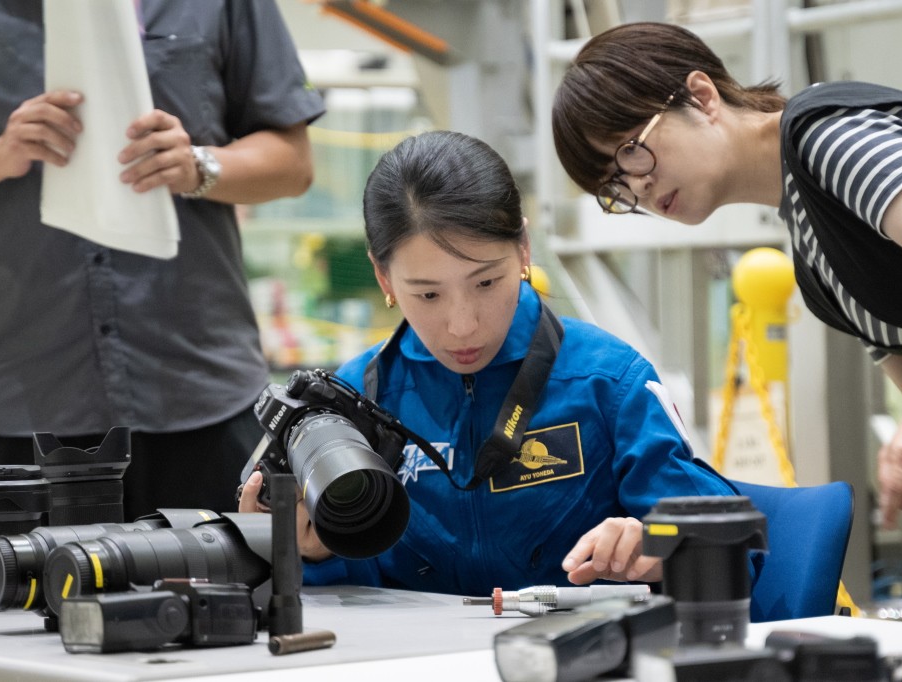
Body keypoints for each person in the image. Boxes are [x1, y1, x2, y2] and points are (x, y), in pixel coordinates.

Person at [240, 129, 738, 597]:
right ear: (384, 277)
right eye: (428, 294)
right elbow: (340, 605)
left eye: (485, 283)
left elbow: (730, 548)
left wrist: (659, 545)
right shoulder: (351, 405)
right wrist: (306, 555)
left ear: (523, 248)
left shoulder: (608, 381)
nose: (462, 326)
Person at [0, 0, 325, 518]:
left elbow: (293, 163)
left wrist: (199, 166)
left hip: (197, 385)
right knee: (15, 598)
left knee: (225, 595)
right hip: (15, 397)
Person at [550, 21, 902, 531]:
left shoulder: (825, 134)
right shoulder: (817, 262)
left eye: (631, 148)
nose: (639, 185)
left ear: (701, 96)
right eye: (614, 183)